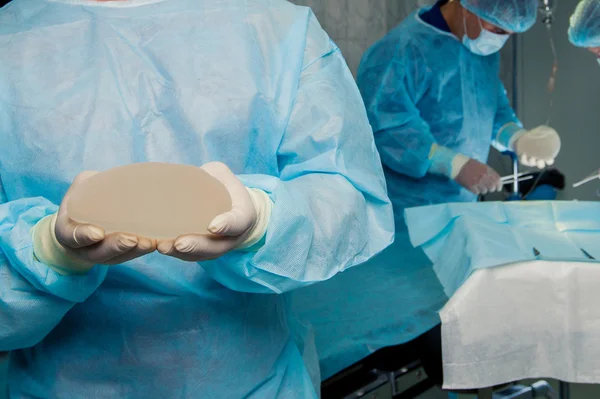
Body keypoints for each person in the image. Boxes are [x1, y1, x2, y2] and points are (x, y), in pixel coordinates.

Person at [0, 0, 395, 397]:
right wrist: (44, 252)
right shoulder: (10, 42)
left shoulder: (276, 31)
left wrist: (265, 220)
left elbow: (345, 197)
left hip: (254, 384)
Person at [289, 0, 562, 382]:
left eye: (510, 34)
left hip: (454, 216)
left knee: (455, 313)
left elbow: (493, 111)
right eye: (498, 29)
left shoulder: (477, 51)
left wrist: (516, 138)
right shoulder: (399, 51)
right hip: (402, 225)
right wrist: (452, 163)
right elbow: (386, 127)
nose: (500, 40)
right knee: (407, 320)